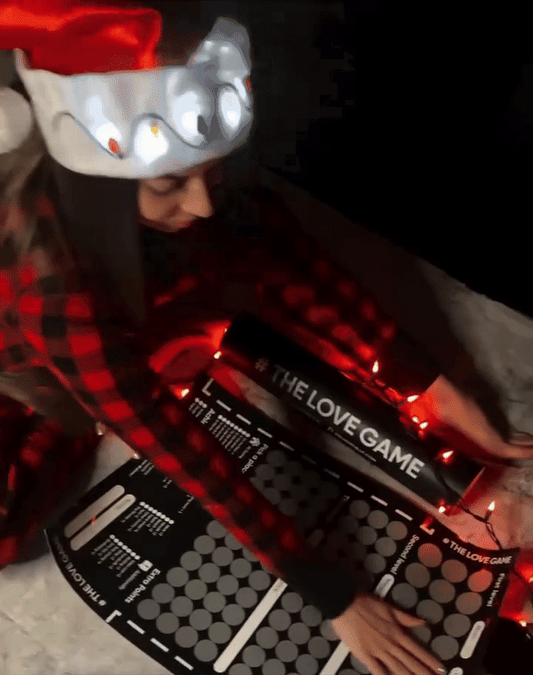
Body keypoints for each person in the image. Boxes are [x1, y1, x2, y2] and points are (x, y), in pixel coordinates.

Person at [0, 2, 464, 674]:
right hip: (25, 373)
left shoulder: (186, 202)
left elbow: (292, 262)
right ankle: (73, 411)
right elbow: (174, 442)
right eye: (170, 183)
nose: (203, 203)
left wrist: (429, 381)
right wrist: (330, 591)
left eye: (212, 174)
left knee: (229, 250)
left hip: (98, 322)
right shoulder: (50, 288)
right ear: (93, 181)